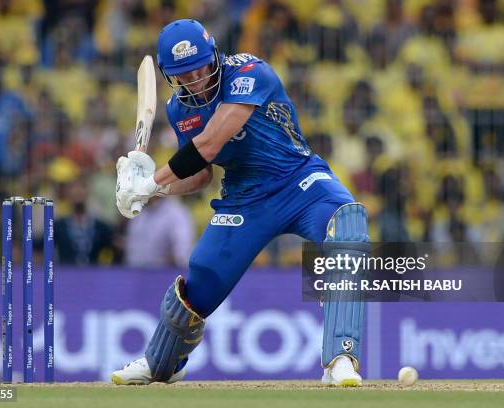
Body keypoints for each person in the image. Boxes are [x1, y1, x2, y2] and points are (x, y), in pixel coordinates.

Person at [113, 19, 369, 387]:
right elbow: (200, 175)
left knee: (347, 223)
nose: (197, 79)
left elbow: (213, 142)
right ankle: (160, 363)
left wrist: (152, 179)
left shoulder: (250, 72)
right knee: (204, 274)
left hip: (299, 181)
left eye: (201, 66)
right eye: (184, 74)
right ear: (171, 76)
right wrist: (149, 191)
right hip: (244, 200)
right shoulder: (179, 110)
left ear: (214, 55)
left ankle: (341, 359)